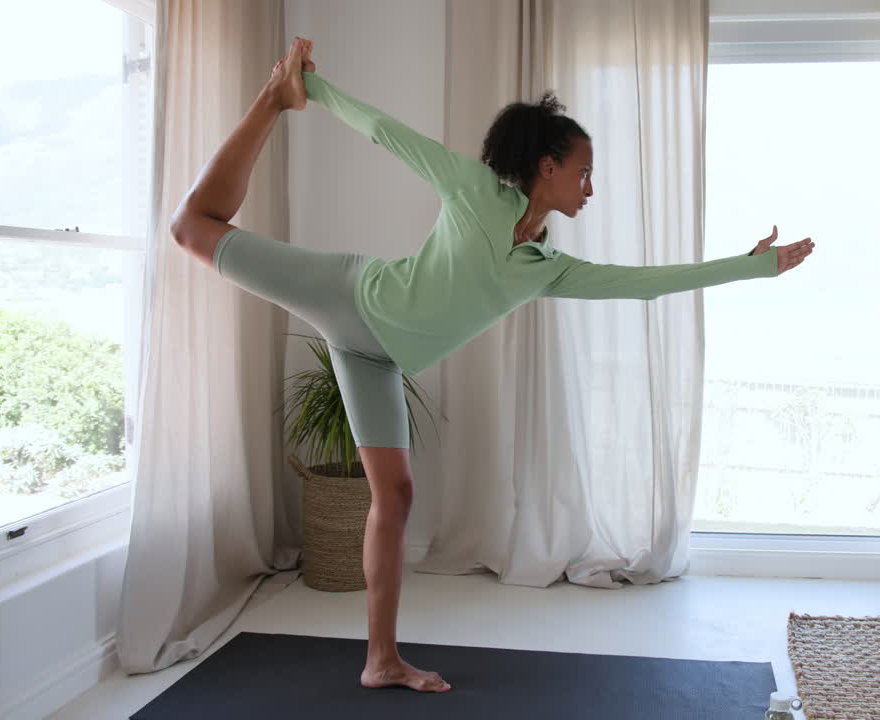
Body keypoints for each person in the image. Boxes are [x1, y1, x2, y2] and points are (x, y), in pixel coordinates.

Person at [169, 37, 815, 694]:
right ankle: (273, 98)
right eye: (584, 172)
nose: (591, 187)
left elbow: (644, 282)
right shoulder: (476, 191)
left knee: (395, 495)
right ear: (547, 166)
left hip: (377, 360)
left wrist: (752, 266)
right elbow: (388, 134)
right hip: (349, 294)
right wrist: (313, 88)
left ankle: (381, 659)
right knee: (192, 227)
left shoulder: (543, 270)